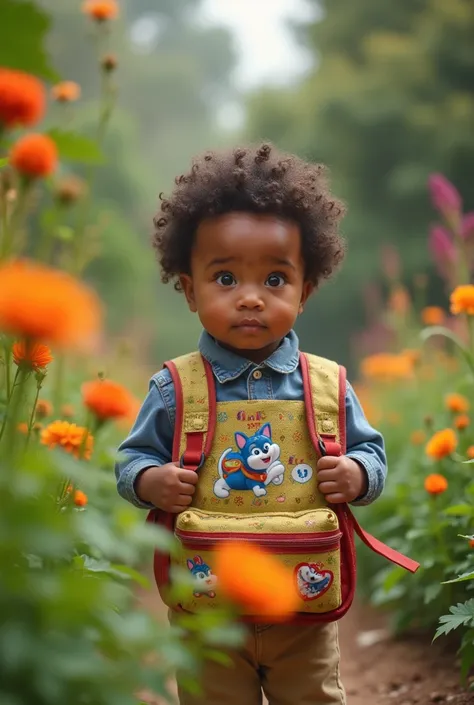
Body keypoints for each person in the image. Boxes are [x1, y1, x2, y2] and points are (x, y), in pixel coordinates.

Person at [115, 143, 387, 705]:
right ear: (189, 290)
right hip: (207, 610)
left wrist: (357, 475)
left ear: (305, 291)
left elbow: (373, 455)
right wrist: (149, 482)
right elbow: (130, 460)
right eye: (224, 279)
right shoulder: (175, 387)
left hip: (303, 605)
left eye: (274, 280)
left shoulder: (327, 385)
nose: (250, 299)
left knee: (312, 696)